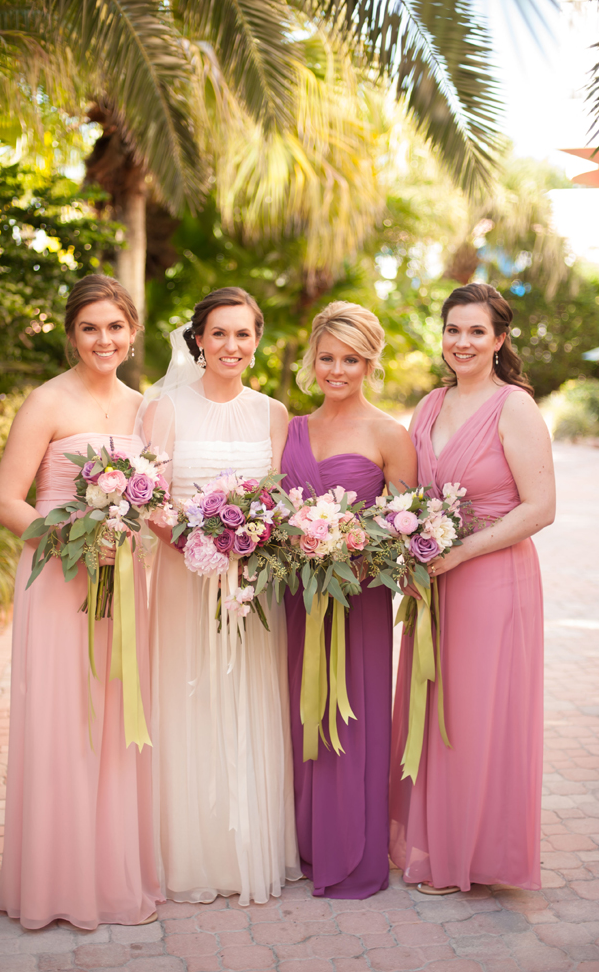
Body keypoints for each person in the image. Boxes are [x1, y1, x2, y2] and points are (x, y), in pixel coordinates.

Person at [0, 276, 161, 929]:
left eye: (114, 327)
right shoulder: (46, 401)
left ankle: (109, 877)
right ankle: (54, 883)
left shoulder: (143, 407)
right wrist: (74, 537)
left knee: (117, 721)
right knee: (65, 722)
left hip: (124, 584)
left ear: (132, 331)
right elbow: (7, 501)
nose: (103, 339)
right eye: (90, 327)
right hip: (60, 579)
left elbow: (154, 500)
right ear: (71, 333)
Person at [389, 282, 555, 894]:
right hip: (435, 579)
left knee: (476, 713)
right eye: (453, 330)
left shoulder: (514, 407)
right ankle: (436, 842)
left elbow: (541, 508)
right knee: (433, 709)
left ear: (500, 340)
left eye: (476, 332)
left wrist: (461, 551)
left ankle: (472, 854)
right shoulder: (429, 406)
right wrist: (407, 545)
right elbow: (409, 496)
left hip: (492, 575)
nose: (463, 342)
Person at [138, 287, 301, 906]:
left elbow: (281, 502)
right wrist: (199, 546)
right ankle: (191, 851)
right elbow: (152, 498)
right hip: (186, 582)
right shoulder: (165, 408)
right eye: (219, 334)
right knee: (191, 699)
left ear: (256, 341)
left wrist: (250, 543)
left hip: (253, 590)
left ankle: (249, 848)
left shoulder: (273, 413)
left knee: (249, 699)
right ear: (197, 341)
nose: (231, 345)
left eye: (243, 334)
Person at [282, 301, 417, 898]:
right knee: (299, 713)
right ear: (313, 357)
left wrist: (360, 549)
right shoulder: (289, 428)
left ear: (370, 362)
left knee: (353, 714)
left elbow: (409, 529)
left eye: (351, 359)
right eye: (327, 357)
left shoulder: (391, 434)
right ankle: (308, 844)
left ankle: (354, 852)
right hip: (297, 597)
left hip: (359, 600)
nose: (337, 370)